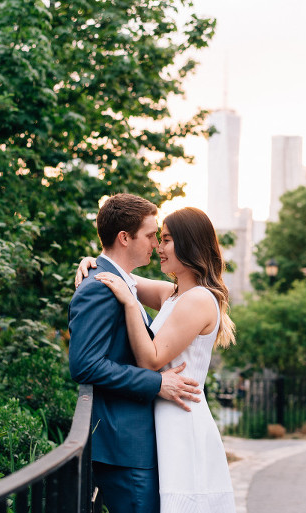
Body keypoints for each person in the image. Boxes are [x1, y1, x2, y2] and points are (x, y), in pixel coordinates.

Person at [82, 206, 237, 512]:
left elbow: (150, 361)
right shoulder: (174, 294)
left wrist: (128, 304)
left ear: (189, 244)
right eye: (158, 238)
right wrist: (93, 263)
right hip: (163, 414)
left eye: (166, 240)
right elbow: (120, 274)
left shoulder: (200, 300)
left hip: (181, 418)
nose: (158, 247)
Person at [68, 193, 202, 513]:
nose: (156, 244)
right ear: (124, 238)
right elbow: (84, 365)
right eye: (150, 235)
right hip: (123, 444)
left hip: (136, 442)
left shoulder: (121, 282)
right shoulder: (99, 289)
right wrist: (156, 383)